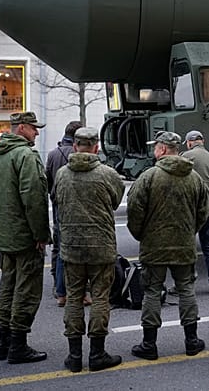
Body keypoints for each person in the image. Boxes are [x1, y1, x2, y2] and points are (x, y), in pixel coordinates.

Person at [126, 131, 208, 361]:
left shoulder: (149, 177)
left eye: (156, 147)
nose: (154, 151)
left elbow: (135, 211)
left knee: (152, 291)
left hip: (154, 246)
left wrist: (141, 234)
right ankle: (192, 340)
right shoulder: (194, 177)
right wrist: (188, 232)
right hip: (184, 244)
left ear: (162, 149)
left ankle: (149, 344)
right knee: (186, 289)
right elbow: (203, 212)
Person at [55, 127, 125, 373]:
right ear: (96, 147)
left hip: (71, 247)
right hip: (101, 246)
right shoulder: (108, 174)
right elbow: (116, 200)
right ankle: (97, 353)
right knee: (100, 297)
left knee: (74, 296)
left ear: (75, 146)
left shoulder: (62, 175)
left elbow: (57, 199)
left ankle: (74, 356)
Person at [0, 111, 51, 364]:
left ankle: (3, 343)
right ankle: (18, 345)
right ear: (23, 128)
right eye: (34, 128)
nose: (37, 132)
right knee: (27, 289)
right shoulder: (26, 155)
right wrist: (41, 234)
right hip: (25, 236)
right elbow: (34, 199)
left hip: (7, 233)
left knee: (8, 286)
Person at [45, 120, 83, 306]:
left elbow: (47, 181)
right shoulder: (80, 153)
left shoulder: (53, 154)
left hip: (58, 204)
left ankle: (59, 287)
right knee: (78, 247)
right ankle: (81, 290)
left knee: (59, 247)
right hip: (77, 205)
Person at [181, 130, 209, 295]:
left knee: (187, 246)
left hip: (192, 207)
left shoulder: (186, 156)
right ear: (202, 141)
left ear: (190, 142)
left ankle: (186, 281)